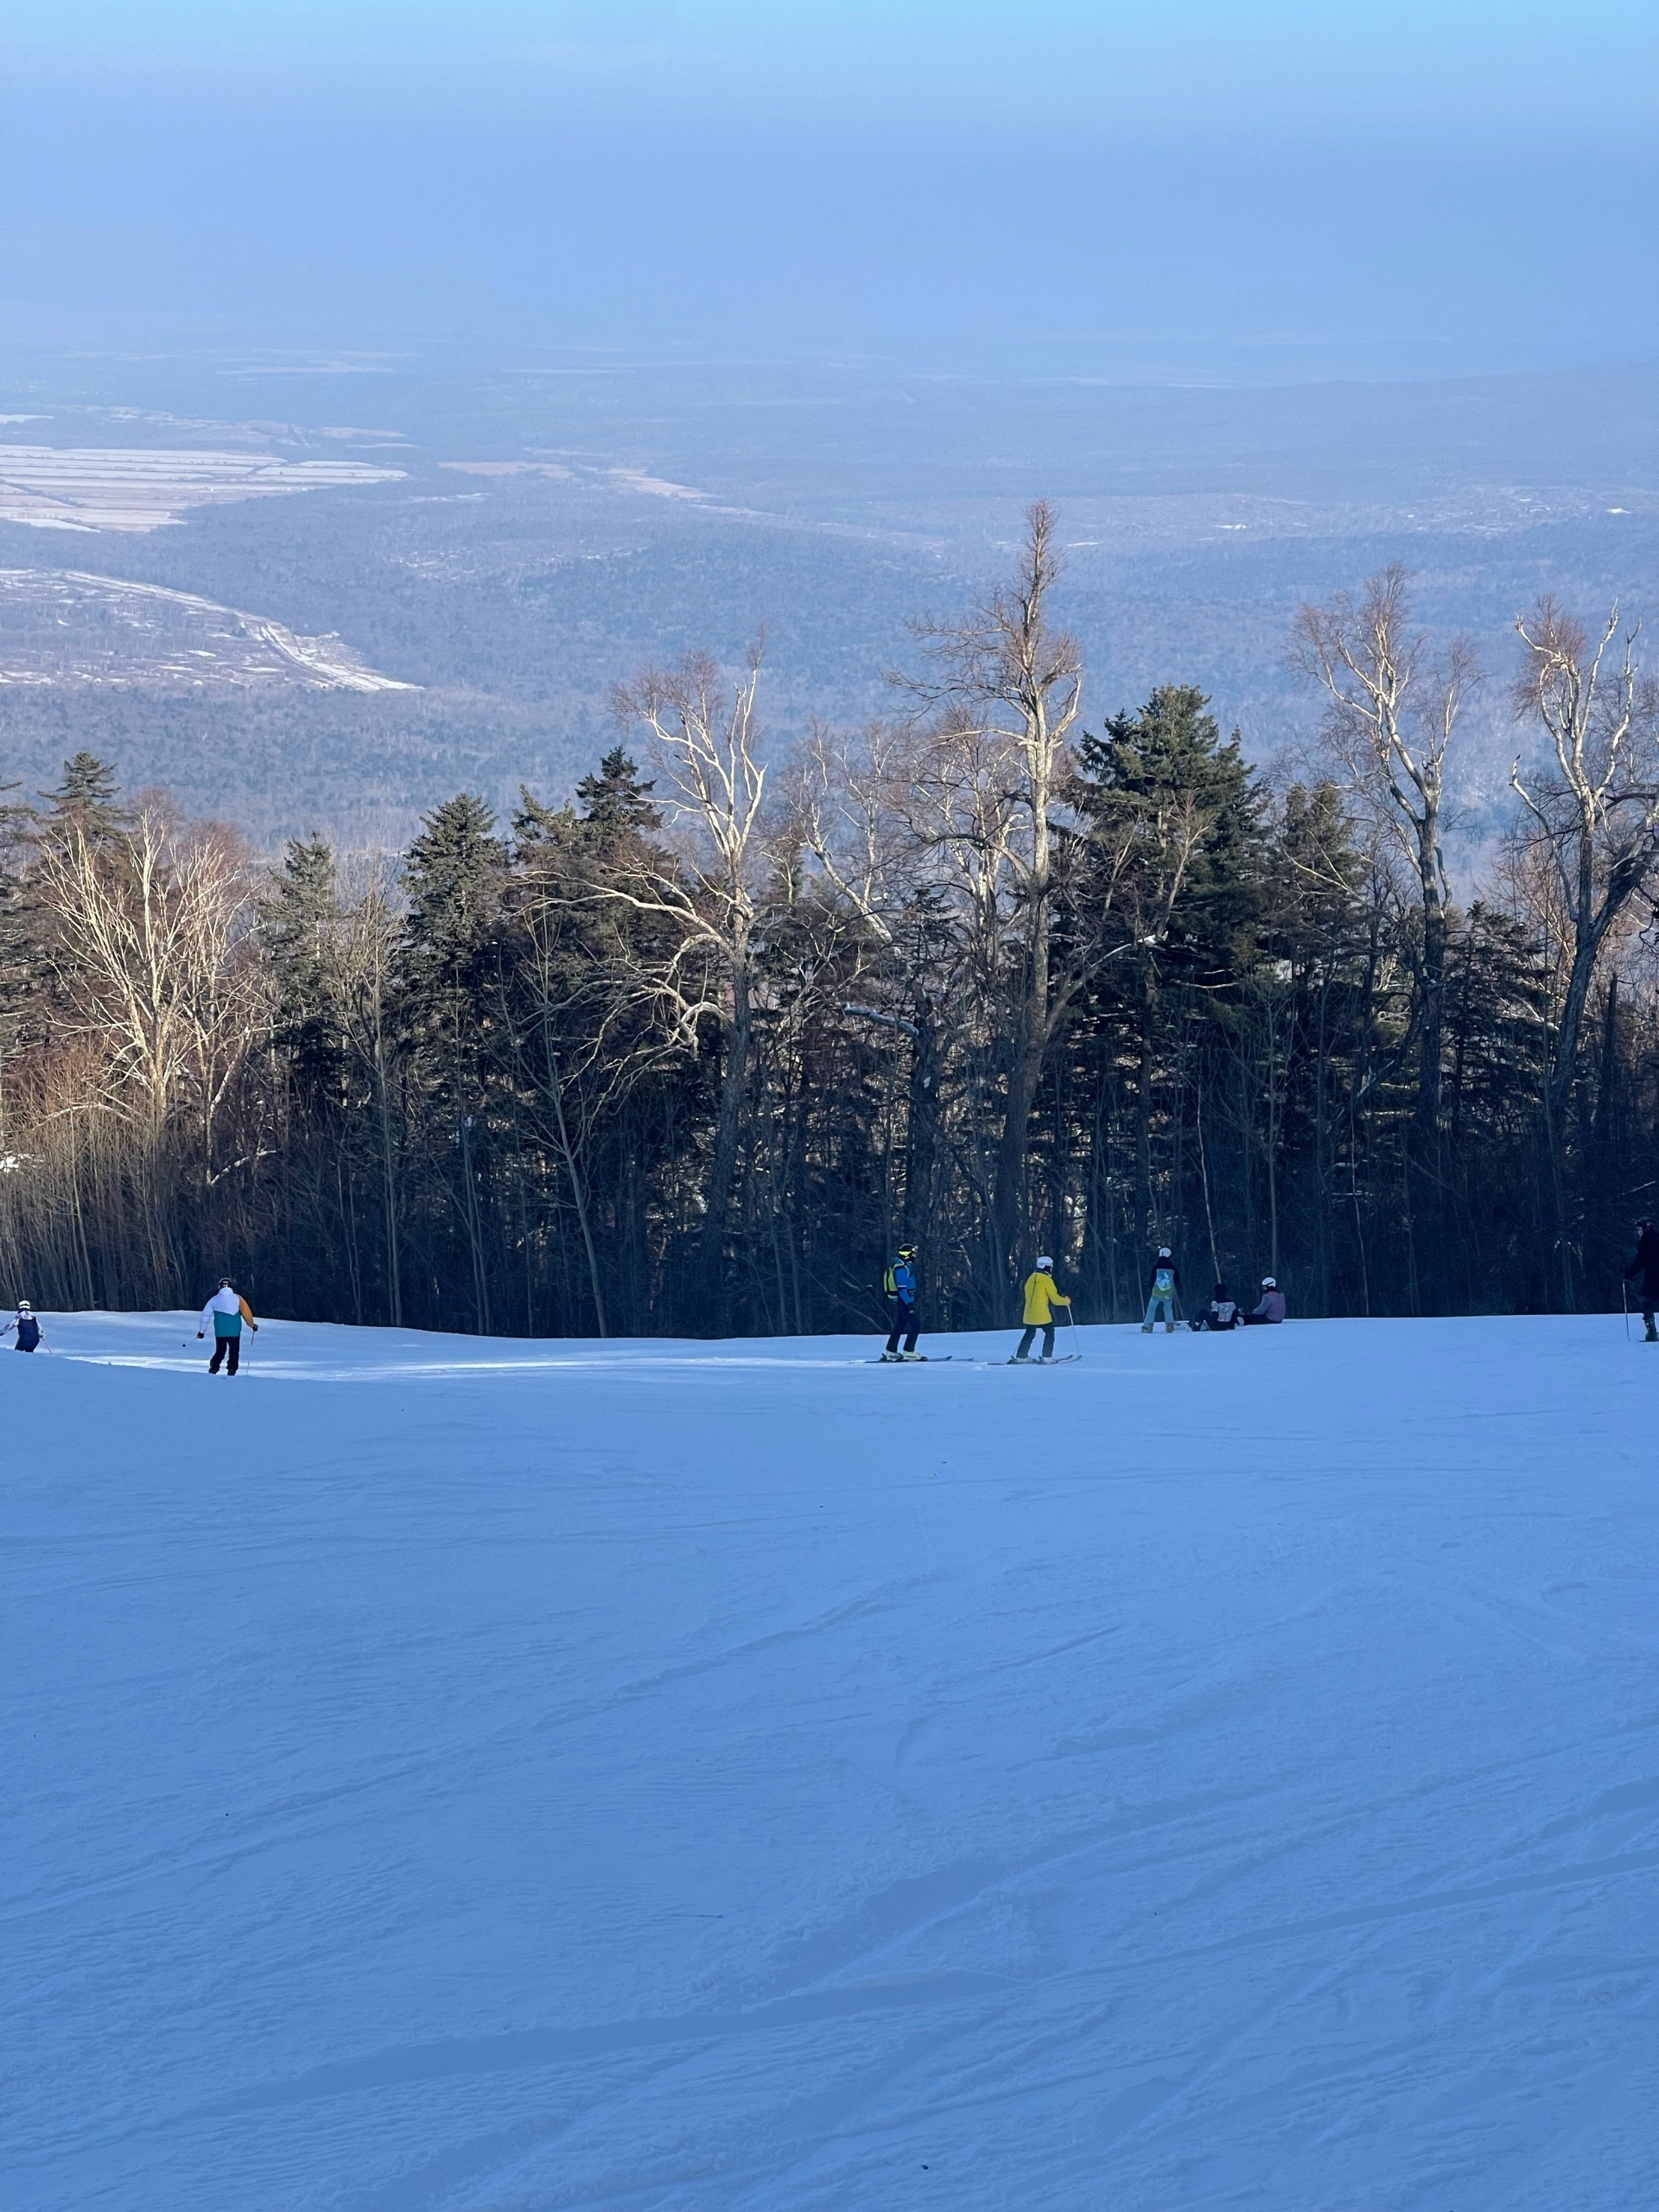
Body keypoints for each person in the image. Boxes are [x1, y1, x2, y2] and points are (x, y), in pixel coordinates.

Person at [1011, 1256, 1072, 1362]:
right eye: (1050, 1267)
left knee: (1030, 1333)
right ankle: (1047, 1357)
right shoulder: (1046, 1280)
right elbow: (1054, 1299)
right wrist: (1066, 1301)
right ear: (1047, 1267)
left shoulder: (1030, 1278)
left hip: (1028, 1312)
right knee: (1050, 1332)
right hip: (1041, 1312)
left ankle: (1021, 1356)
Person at [198, 1278, 258, 1374]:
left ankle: (214, 1367)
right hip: (234, 1331)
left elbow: (205, 1316)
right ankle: (232, 1369)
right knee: (234, 1351)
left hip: (220, 1331)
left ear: (220, 1287)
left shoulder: (214, 1300)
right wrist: (252, 1325)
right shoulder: (238, 1299)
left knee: (220, 1351)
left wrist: (201, 1331)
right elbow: (247, 1314)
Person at [881, 1244, 922, 1361]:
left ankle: (891, 1351)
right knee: (916, 1325)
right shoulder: (901, 1268)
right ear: (907, 1255)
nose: (915, 1256)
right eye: (913, 1254)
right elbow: (902, 1288)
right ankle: (909, 1352)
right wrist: (909, 1303)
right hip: (904, 1300)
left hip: (902, 1300)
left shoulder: (902, 1265)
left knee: (900, 1325)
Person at [1624, 1217, 1659, 1343]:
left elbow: (1640, 1261)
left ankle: (1652, 1332)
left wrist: (1628, 1274)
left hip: (1653, 1276)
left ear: (1646, 1228)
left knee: (1647, 1302)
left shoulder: (1646, 1241)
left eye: (1640, 1229)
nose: (1638, 1232)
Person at [1141, 1247, 1181, 1333]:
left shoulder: (1156, 1267)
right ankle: (1170, 1326)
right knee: (1168, 1309)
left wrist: (1151, 1290)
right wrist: (1180, 1291)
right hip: (1168, 1292)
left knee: (1151, 1309)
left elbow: (1152, 1280)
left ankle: (1147, 1326)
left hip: (1156, 1292)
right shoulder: (1173, 1268)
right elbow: (1177, 1281)